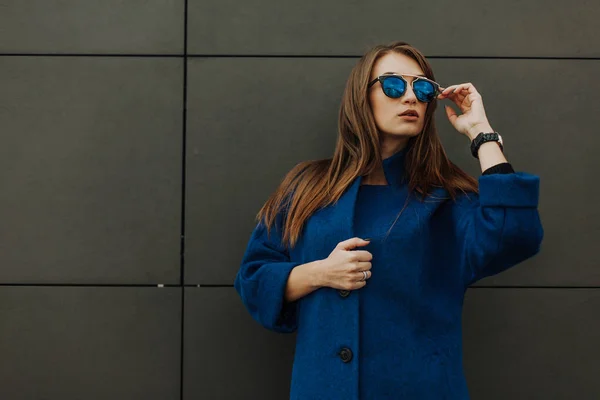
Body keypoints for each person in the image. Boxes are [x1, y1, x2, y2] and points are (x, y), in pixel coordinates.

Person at [234, 41, 543, 400]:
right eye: (394, 85)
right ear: (361, 96)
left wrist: (481, 133)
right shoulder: (308, 187)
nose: (410, 97)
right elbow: (253, 278)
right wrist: (319, 273)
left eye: (423, 88)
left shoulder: (444, 198)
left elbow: (516, 235)